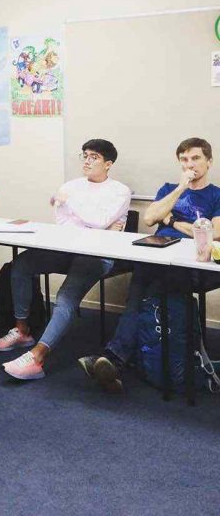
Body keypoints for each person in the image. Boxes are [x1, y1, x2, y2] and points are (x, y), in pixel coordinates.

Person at [81, 137, 220, 392]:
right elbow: (150, 217)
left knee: (145, 291)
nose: (190, 165)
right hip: (158, 255)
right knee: (142, 282)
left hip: (192, 262)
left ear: (209, 161)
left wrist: (173, 221)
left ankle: (115, 357)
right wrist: (181, 188)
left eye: (196, 158)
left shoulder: (216, 195)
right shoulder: (169, 188)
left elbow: (215, 232)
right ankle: (117, 358)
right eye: (184, 160)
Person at [0, 139, 131, 381]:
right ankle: (22, 330)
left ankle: (37, 357)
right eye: (85, 155)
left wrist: (73, 205)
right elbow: (64, 222)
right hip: (67, 248)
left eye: (94, 157)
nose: (87, 161)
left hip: (97, 255)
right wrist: (94, 223)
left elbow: (98, 221)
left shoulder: (119, 190)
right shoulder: (71, 185)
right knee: (22, 264)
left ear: (108, 164)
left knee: (66, 297)